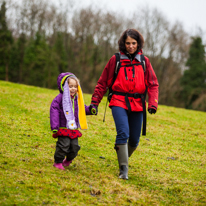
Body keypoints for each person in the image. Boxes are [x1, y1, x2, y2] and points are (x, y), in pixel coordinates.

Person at [90, 29, 159, 179]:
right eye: (128, 43)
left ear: (138, 43)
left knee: (134, 139)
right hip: (118, 101)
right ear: (123, 43)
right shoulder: (115, 60)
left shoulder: (144, 61)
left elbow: (153, 84)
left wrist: (153, 103)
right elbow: (102, 83)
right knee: (123, 133)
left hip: (138, 104)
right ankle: (123, 171)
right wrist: (95, 103)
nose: (131, 46)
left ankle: (122, 159)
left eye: (134, 43)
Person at [50, 72, 96, 170]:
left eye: (75, 86)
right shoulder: (59, 99)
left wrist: (91, 110)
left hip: (73, 128)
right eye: (70, 86)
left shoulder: (77, 99)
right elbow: (54, 111)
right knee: (63, 145)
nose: (73, 89)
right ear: (64, 87)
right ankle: (58, 162)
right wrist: (55, 127)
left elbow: (82, 109)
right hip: (63, 127)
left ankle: (68, 160)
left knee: (75, 147)